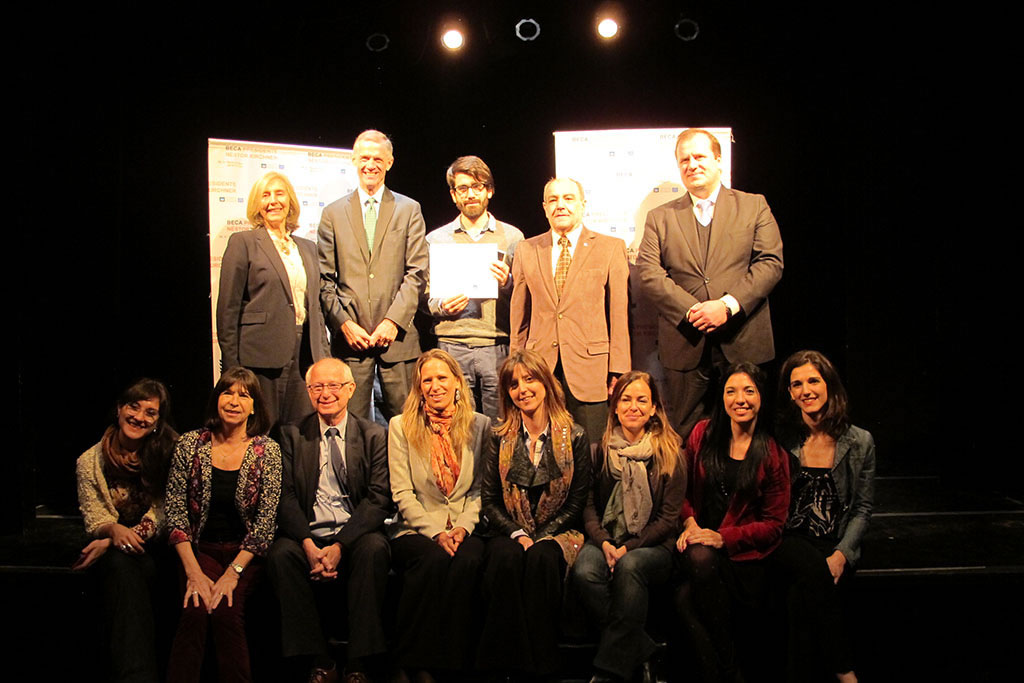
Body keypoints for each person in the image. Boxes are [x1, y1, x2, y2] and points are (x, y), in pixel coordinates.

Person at [636, 128, 783, 441]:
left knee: (751, 436)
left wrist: (726, 306)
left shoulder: (754, 205)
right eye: (684, 159)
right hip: (685, 343)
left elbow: (771, 263)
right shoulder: (660, 216)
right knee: (686, 438)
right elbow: (648, 271)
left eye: (700, 156)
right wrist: (694, 311)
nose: (692, 164)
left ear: (718, 160)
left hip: (743, 340)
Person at [267, 358, 392, 683]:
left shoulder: (373, 435)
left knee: (375, 549)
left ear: (351, 389)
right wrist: (308, 543)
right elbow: (286, 496)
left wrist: (340, 545)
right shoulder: (291, 434)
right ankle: (320, 660)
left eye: (334, 385)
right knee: (281, 554)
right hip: (308, 533)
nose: (325, 393)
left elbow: (378, 499)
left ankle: (357, 662)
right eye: (317, 387)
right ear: (308, 391)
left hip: (354, 533)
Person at [477, 349, 593, 678]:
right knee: (506, 559)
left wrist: (539, 537)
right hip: (510, 529)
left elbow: (576, 504)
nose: (523, 389)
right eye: (514, 384)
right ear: (507, 393)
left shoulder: (577, 436)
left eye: (529, 380)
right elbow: (490, 500)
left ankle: (541, 668)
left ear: (545, 383)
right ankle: (500, 666)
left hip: (559, 531)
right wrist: (518, 534)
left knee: (542, 558)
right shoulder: (499, 438)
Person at [673, 362, 790, 683]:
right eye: (731, 391)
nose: (741, 399)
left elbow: (773, 524)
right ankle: (729, 672)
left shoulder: (771, 453)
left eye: (749, 391)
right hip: (698, 547)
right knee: (698, 560)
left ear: (761, 397)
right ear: (722, 398)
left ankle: (725, 671)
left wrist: (723, 538)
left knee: (685, 599)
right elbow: (679, 492)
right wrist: (690, 524)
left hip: (743, 559)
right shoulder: (702, 434)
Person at [164, 367, 282, 683]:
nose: (234, 401)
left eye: (244, 395)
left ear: (254, 406)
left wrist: (233, 573)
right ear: (217, 398)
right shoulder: (190, 444)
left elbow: (265, 524)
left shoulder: (266, 450)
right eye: (228, 392)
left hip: (243, 555)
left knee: (227, 613)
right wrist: (193, 572)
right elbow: (175, 514)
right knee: (196, 608)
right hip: (199, 550)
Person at [573, 371, 687, 682]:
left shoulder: (671, 453)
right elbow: (589, 507)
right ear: (614, 406)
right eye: (625, 399)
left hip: (652, 547)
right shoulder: (599, 451)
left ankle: (610, 670)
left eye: (641, 400)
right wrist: (606, 542)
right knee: (584, 570)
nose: (633, 406)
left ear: (653, 408)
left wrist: (628, 548)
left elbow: (668, 519)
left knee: (631, 566)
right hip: (606, 540)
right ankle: (641, 648)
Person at [387, 349, 492, 680]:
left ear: (457, 383)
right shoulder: (400, 426)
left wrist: (461, 528)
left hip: (466, 523)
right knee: (432, 559)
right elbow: (402, 492)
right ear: (419, 387)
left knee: (468, 561)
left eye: (441, 378)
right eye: (427, 380)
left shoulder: (480, 425)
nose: (435, 385)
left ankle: (454, 664)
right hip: (416, 527)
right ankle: (413, 662)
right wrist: (436, 532)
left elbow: (479, 490)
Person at [773, 350, 876, 683]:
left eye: (813, 381)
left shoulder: (859, 441)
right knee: (808, 572)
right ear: (789, 393)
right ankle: (846, 673)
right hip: (790, 540)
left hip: (832, 542)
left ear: (829, 384)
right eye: (797, 384)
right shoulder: (783, 438)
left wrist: (843, 554)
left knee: (798, 603)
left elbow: (862, 508)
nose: (806, 390)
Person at [318, 129, 428, 422]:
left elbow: (417, 272)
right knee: (349, 429)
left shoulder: (409, 210)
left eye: (378, 158)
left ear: (389, 162)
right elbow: (324, 280)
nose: (371, 164)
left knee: (406, 427)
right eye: (364, 158)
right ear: (353, 160)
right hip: (351, 342)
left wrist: (393, 322)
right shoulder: (332, 213)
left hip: (398, 342)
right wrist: (344, 324)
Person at [510, 177, 630, 446]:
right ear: (544, 207)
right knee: (544, 449)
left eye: (568, 198)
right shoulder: (526, 249)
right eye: (553, 200)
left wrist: (619, 369)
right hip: (539, 369)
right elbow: (519, 316)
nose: (560, 205)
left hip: (592, 369)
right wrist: (516, 366)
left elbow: (619, 314)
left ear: (582, 205)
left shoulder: (611, 247)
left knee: (592, 450)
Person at [74, 378, 178, 683]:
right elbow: (94, 517)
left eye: (150, 412)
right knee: (124, 568)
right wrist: (111, 531)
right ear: (119, 410)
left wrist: (115, 538)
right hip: (122, 551)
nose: (139, 417)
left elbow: (164, 509)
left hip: (159, 542)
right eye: (134, 406)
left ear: (158, 423)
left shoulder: (169, 451)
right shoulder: (89, 461)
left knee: (134, 565)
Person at [218, 171, 330, 427]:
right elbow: (228, 310)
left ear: (290, 201)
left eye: (279, 194)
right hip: (260, 356)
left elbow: (316, 308)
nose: (273, 201)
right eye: (265, 196)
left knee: (300, 434)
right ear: (257, 205)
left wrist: (323, 357)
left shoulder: (307, 247)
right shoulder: (243, 242)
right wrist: (233, 369)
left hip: (305, 355)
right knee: (261, 432)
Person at [425, 155, 524, 420]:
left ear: (489, 191)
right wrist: (442, 306)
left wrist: (508, 283)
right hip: (451, 344)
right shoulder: (436, 239)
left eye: (477, 187)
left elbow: (526, 294)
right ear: (454, 195)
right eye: (463, 188)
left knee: (500, 424)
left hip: (496, 343)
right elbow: (425, 294)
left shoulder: (512, 237)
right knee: (456, 424)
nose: (470, 194)